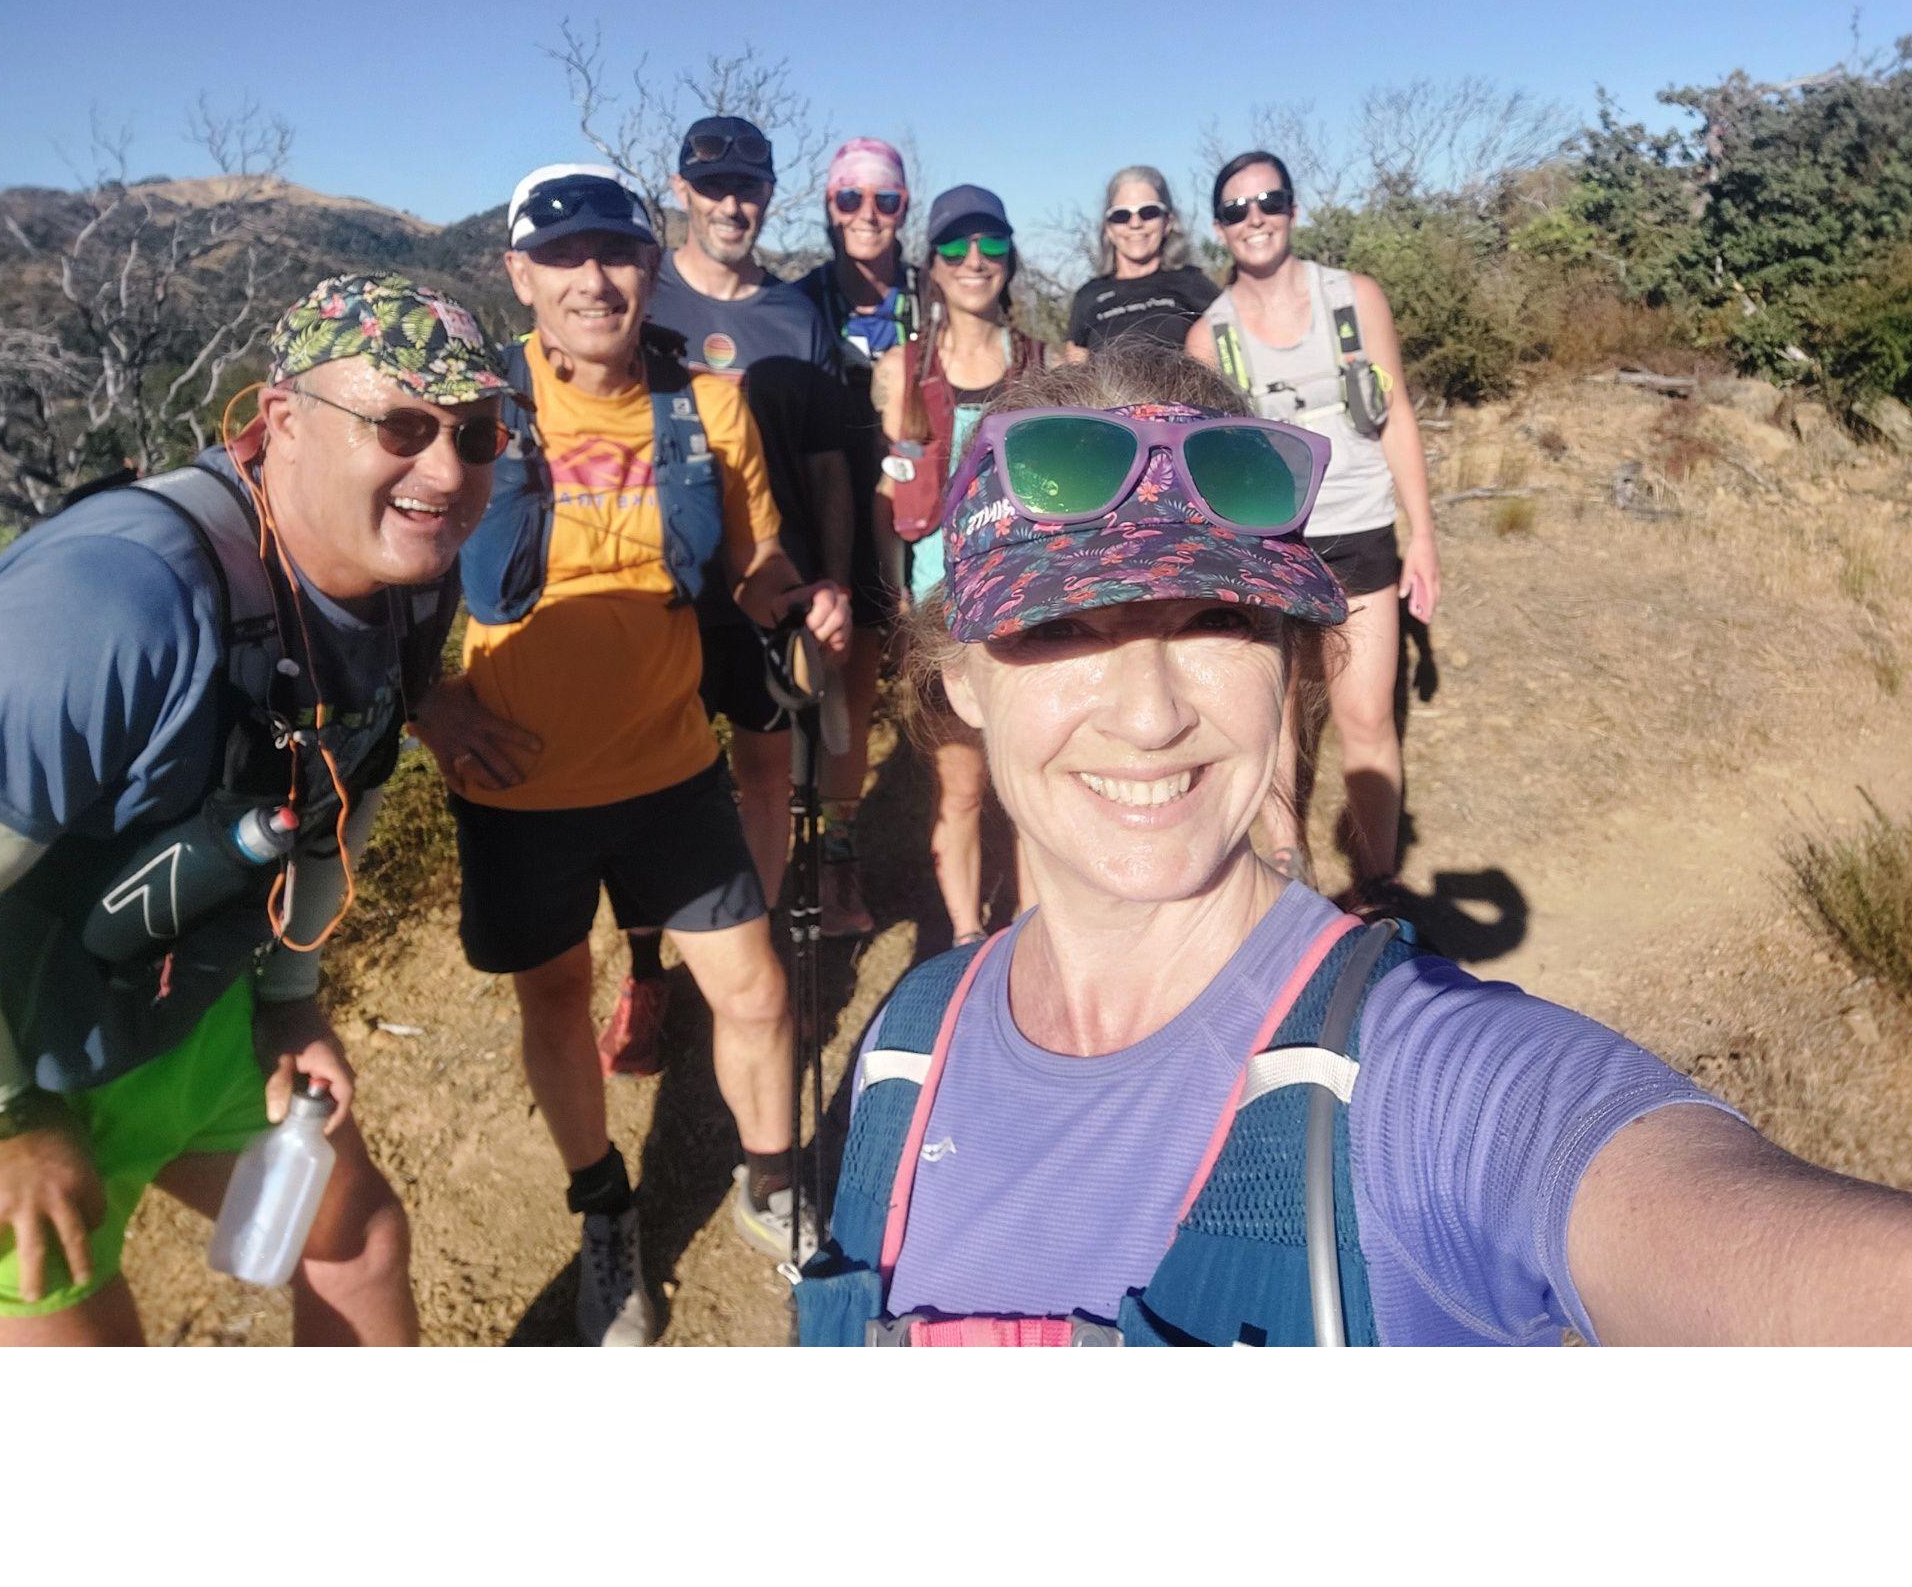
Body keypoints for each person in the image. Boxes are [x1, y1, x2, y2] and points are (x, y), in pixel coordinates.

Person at [794, 345, 1912, 1347]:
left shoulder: (1427, 1081)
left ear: (1289, 661)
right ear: (960, 683)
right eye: (1063, 629)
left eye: (1216, 621)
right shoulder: (906, 1047)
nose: (1149, 715)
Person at [0, 273, 507, 1345]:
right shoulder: (110, 602)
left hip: (185, 1016)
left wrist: (290, 998)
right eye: (402, 426)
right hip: (15, 1049)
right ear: (281, 423)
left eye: (478, 432)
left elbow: (338, 789)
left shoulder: (407, 577)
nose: (448, 472)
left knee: (356, 1245)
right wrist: (7, 1122)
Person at [412, 164, 849, 1347]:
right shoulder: (467, 408)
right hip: (517, 784)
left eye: (615, 252)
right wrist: (428, 705)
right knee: (556, 996)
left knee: (754, 990)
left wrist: (797, 599)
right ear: (519, 273)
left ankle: (769, 1180)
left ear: (649, 267)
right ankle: (606, 1208)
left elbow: (750, 562)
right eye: (563, 256)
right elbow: (369, 570)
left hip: (669, 767)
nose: (592, 278)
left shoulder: (703, 405)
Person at [1186, 151, 1440, 898]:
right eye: (1236, 209)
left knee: (1366, 718)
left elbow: (1395, 420)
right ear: (1219, 229)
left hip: (1361, 532)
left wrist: (1421, 532)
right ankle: (1287, 868)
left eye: (1268, 201)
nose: (1254, 218)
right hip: (1270, 547)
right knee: (1276, 715)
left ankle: (1379, 888)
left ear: (1293, 209)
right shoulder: (1211, 339)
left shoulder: (1356, 299)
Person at [646, 119, 854, 921]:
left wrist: (829, 574)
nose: (731, 205)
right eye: (713, 187)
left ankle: (754, 939)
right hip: (667, 587)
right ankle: (651, 967)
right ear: (681, 192)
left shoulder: (797, 317)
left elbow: (828, 463)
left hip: (774, 583)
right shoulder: (640, 294)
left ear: (770, 194)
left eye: (748, 187)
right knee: (662, 775)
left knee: (766, 772)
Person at [870, 185, 1044, 950]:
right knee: (963, 788)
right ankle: (971, 941)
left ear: (1009, 257)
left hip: (1030, 603)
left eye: (991, 245)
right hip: (941, 610)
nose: (975, 261)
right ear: (931, 267)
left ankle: (1041, 932)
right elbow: (889, 491)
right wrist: (892, 616)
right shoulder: (898, 370)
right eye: (954, 247)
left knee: (1033, 789)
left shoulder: (1045, 364)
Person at [794, 139, 920, 938]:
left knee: (864, 689)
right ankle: (801, 855)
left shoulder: (932, 294)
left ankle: (844, 856)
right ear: (830, 206)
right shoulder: (798, 301)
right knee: (814, 696)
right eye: (850, 199)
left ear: (904, 206)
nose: (867, 215)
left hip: (910, 520)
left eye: (885, 199)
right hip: (812, 515)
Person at [1063, 164, 1218, 362]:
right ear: (1108, 228)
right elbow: (1076, 372)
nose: (1135, 224)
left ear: (1167, 222)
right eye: (1121, 215)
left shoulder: (1194, 283)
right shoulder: (1088, 296)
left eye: (1149, 212)